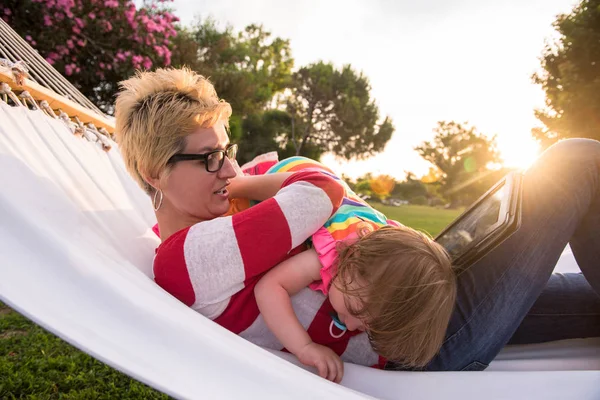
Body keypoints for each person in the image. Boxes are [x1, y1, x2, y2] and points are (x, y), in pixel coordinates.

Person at [114, 67, 600, 377]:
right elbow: (323, 187)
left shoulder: (208, 227)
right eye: (209, 159)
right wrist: (242, 184)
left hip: (418, 283)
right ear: (154, 171)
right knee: (577, 163)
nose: (228, 170)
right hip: (425, 334)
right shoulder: (188, 258)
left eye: (228, 153)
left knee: (588, 301)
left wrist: (231, 184)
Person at [254, 158, 456, 382]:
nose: (349, 326)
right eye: (353, 311)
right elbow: (270, 287)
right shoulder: (330, 254)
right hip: (289, 175)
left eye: (365, 327)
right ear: (352, 259)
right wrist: (304, 346)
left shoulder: (382, 258)